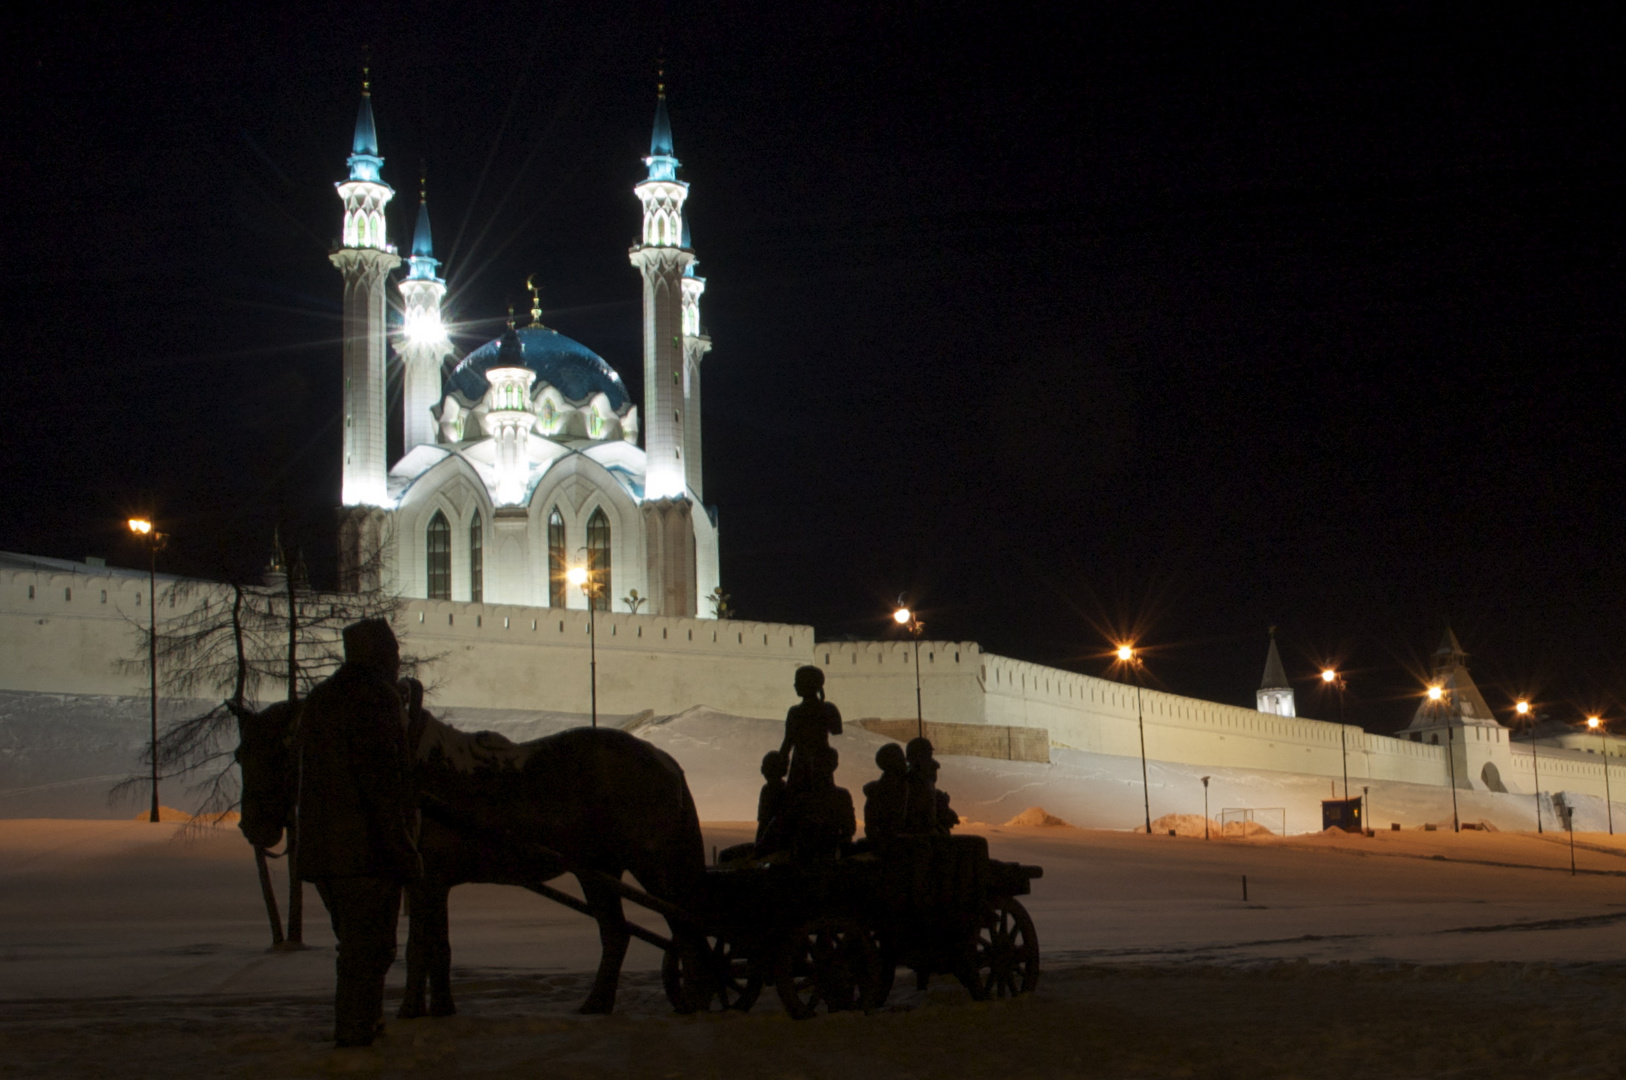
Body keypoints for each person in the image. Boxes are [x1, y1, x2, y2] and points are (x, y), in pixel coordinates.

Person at [297, 618, 420, 1048]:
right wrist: (403, 847)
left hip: (327, 854)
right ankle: (355, 1036)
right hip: (366, 853)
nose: (396, 660)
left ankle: (363, 1024)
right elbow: (382, 782)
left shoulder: (323, 698)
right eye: (393, 653)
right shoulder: (374, 699)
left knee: (354, 946)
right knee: (368, 951)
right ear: (380, 655)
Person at [780, 665, 842, 797]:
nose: (795, 685)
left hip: (800, 763)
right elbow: (837, 730)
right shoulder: (828, 709)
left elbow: (787, 742)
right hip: (821, 762)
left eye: (798, 681)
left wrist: (779, 764)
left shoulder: (795, 712)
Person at [788, 744, 856, 861]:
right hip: (823, 854)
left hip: (817, 855)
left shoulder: (802, 797)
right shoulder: (841, 796)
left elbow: (849, 829)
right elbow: (849, 829)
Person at [903, 737, 958, 836]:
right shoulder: (913, 785)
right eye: (928, 757)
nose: (935, 765)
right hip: (921, 838)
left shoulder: (919, 782)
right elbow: (923, 819)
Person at [861, 742, 909, 850]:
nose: (905, 763)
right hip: (892, 846)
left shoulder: (877, 790)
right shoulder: (895, 788)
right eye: (901, 759)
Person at [754, 750, 789, 856]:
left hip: (771, 847)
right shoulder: (782, 789)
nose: (762, 770)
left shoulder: (769, 791)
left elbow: (763, 823)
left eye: (765, 766)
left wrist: (758, 849)